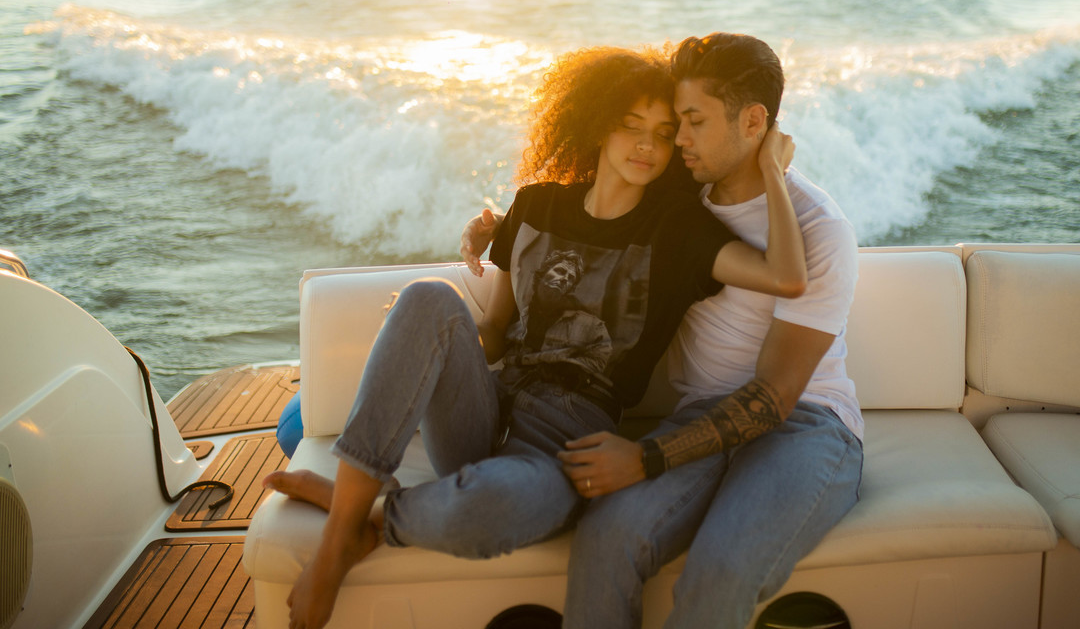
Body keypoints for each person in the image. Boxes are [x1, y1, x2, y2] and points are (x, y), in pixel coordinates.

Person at [264, 44, 810, 629]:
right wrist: (431, 335)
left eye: (664, 130)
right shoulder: (535, 205)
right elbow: (496, 334)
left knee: (493, 508)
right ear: (597, 125)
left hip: (563, 446)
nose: (648, 146)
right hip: (484, 409)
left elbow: (785, 276)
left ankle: (363, 514)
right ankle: (337, 547)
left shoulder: (677, 231)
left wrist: (774, 174)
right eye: (630, 127)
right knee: (428, 296)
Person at [461, 33, 863, 628]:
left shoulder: (818, 229)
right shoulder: (682, 194)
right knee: (604, 539)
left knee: (721, 567)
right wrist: (494, 225)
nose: (677, 139)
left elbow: (773, 399)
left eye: (693, 121)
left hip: (805, 425)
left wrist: (646, 458)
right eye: (678, 121)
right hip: (698, 413)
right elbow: (587, 200)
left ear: (754, 122)